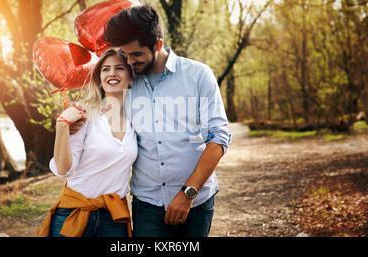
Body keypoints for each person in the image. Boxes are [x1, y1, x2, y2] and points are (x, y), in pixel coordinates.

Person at [71, 4, 231, 237]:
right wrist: (74, 121)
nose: (129, 61)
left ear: (157, 45)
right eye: (124, 54)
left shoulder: (198, 75)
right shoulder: (125, 81)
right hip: (147, 204)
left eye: (136, 54)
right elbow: (99, 105)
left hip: (196, 201)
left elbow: (219, 138)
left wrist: (188, 193)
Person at [37, 48, 137, 237]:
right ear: (99, 79)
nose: (112, 73)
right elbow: (64, 169)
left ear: (131, 78)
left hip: (112, 218)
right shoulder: (84, 114)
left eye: (119, 68)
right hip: (74, 213)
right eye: (105, 69)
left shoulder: (137, 120)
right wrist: (62, 126)